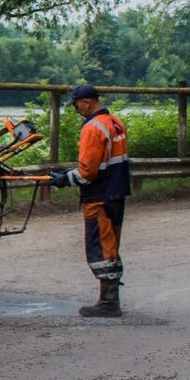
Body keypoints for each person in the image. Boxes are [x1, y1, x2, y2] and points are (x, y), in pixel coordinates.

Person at [48, 83, 130, 317]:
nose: (76, 110)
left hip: (99, 195)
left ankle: (108, 303)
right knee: (111, 244)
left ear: (86, 102)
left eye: (76, 106)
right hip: (117, 190)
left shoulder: (92, 128)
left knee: (99, 247)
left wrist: (64, 180)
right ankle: (111, 298)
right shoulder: (115, 122)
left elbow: (88, 171)